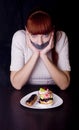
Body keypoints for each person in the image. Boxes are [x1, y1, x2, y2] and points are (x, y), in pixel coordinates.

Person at [10, 10, 71, 90]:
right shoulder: (19, 38)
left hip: (54, 93)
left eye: (45, 35)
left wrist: (44, 55)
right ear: (27, 31)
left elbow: (64, 85)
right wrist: (35, 54)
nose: (40, 42)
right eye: (34, 35)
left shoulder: (61, 37)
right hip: (26, 93)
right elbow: (17, 84)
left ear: (52, 31)